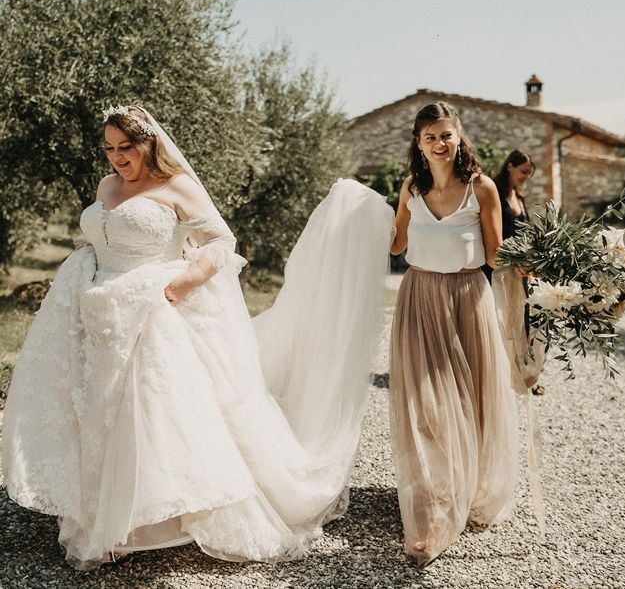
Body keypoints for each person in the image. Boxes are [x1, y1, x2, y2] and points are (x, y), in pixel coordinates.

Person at [2, 105, 393, 569]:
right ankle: (95, 512)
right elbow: (101, 235)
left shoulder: (177, 187)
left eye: (126, 147)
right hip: (91, 307)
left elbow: (219, 242)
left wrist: (183, 282)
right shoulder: (108, 186)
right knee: (90, 403)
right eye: (109, 148)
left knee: (141, 410)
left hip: (151, 307)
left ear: (149, 143)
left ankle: (140, 517)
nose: (117, 157)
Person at [388, 102, 519, 567]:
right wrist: (358, 224)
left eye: (447, 135)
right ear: (418, 145)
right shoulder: (410, 187)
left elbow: (497, 254)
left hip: (467, 299)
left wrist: (545, 268)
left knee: (471, 400)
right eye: (431, 137)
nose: (441, 144)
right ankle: (436, 508)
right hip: (420, 298)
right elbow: (397, 243)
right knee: (426, 404)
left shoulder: (481, 188)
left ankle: (459, 492)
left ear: (459, 137)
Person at [488, 150, 545, 396]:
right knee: (498, 318)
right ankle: (495, 373)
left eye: (529, 174)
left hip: (519, 270)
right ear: (509, 166)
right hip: (497, 267)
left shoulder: (518, 197)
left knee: (520, 319)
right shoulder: (495, 195)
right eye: (523, 171)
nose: (526, 177)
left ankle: (519, 372)